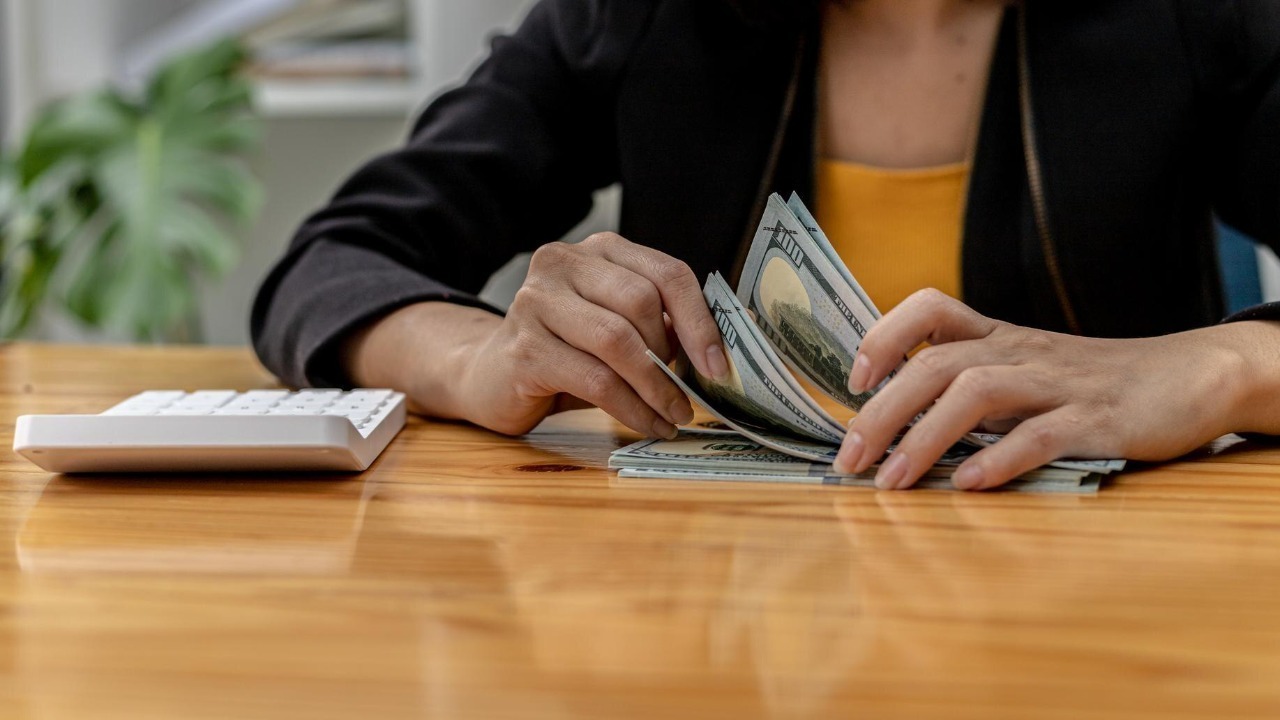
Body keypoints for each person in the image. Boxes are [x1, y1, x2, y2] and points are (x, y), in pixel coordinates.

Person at [251, 0, 1280, 491]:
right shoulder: (634, 20)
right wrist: (477, 359)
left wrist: (1222, 368)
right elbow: (332, 264)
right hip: (726, 605)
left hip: (1105, 605)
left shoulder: (1198, 21)